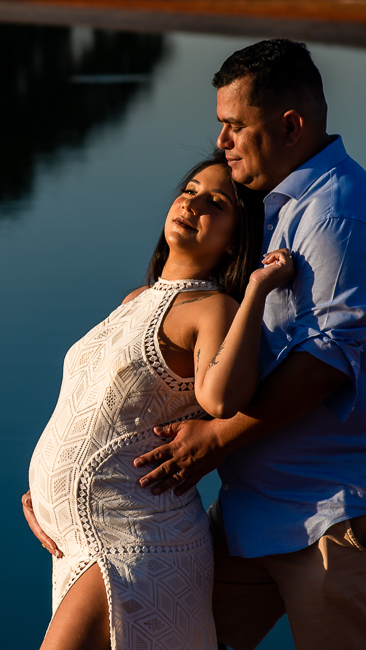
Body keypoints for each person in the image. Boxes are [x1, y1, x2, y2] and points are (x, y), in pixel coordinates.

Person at [130, 39, 366, 650]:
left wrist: (214, 441)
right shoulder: (269, 209)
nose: (221, 141)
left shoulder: (339, 214)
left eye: (234, 126)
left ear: (291, 126)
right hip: (254, 511)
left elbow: (325, 361)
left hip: (340, 511)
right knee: (157, 633)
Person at [24, 153, 293, 650]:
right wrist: (43, 488)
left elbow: (220, 398)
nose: (193, 204)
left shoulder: (212, 307)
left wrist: (256, 290)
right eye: (189, 190)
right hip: (79, 541)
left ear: (235, 240)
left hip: (133, 540)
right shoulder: (135, 300)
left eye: (215, 203)